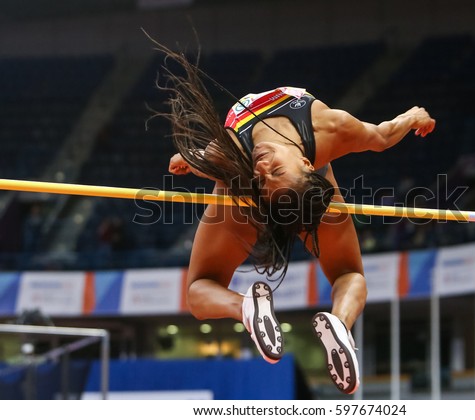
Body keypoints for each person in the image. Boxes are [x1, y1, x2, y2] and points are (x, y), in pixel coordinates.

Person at [159, 44, 435, 395]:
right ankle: (336, 321)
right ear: (306, 165)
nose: (261, 166)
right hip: (273, 190)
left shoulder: (237, 159)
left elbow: (202, 156)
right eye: (270, 170)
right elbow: (381, 136)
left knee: (200, 289)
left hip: (244, 191)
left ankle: (248, 308)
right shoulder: (328, 128)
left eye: (267, 174)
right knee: (348, 274)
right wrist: (411, 117)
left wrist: (189, 158)